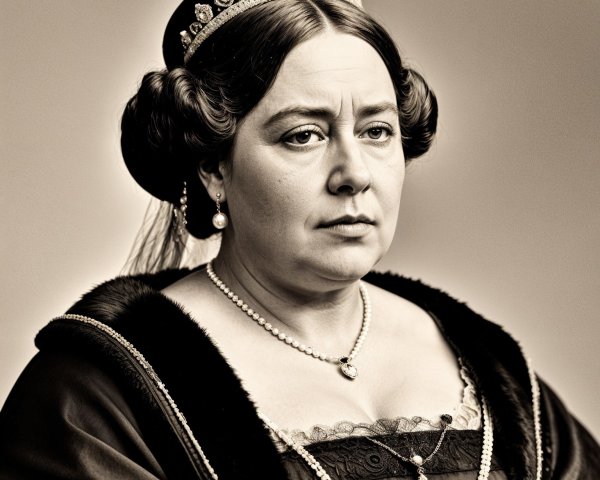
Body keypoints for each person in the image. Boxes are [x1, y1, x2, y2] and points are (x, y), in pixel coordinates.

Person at [0, 0, 598, 479]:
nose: (354, 174)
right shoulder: (98, 395)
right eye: (303, 135)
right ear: (213, 168)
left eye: (377, 131)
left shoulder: (492, 366)